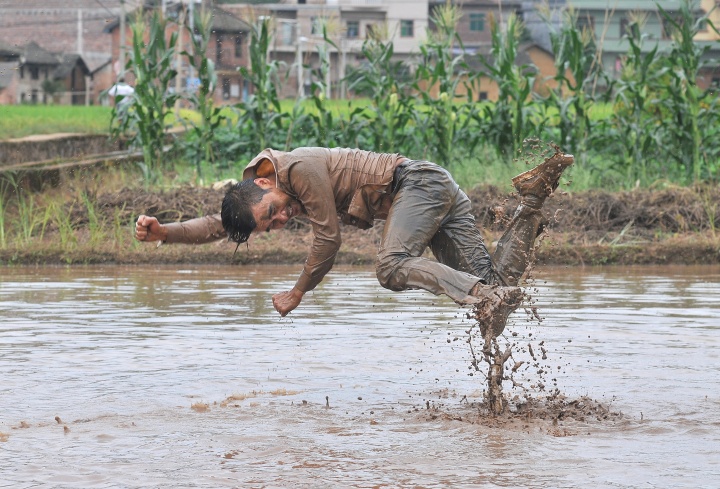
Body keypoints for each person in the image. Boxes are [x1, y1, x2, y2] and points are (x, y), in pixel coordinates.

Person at [135, 147, 573, 337]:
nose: (283, 220)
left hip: (416, 185)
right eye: (272, 226)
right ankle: (531, 203)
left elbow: (329, 239)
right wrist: (163, 233)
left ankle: (479, 293)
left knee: (390, 266)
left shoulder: (301, 169)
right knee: (495, 310)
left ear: (265, 181)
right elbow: (215, 224)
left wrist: (298, 291)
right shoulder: (267, 191)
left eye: (274, 212)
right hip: (431, 192)